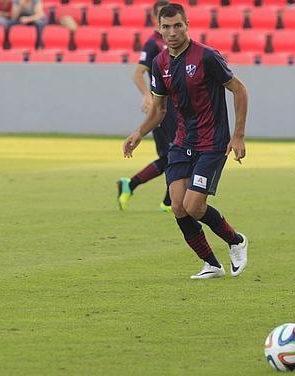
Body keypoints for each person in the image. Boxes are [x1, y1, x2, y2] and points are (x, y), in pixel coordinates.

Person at [123, 3, 249, 280]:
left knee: (194, 206)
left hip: (212, 142)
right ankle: (211, 264)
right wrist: (138, 133)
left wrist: (237, 135)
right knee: (178, 206)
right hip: (181, 142)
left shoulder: (206, 57)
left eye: (177, 25)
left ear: (187, 24)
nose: (172, 32)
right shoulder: (159, 63)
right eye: (166, 27)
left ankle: (236, 240)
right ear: (159, 28)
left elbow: (239, 90)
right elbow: (159, 109)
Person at [117, 0, 178, 213]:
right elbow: (137, 73)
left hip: (176, 106)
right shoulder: (153, 43)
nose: (168, 23)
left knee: (176, 153)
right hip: (162, 108)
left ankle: (164, 199)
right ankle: (165, 200)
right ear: (156, 18)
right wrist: (148, 96)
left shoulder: (175, 42)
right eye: (163, 17)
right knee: (171, 155)